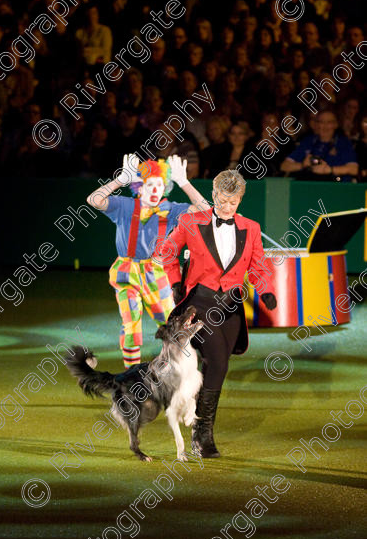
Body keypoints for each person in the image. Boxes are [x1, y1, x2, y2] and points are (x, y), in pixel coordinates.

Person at [159, 170, 277, 458]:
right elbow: (167, 251)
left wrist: (266, 291)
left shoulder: (250, 228)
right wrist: (175, 281)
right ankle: (203, 435)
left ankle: (196, 416)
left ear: (240, 200)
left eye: (233, 202)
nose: (227, 207)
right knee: (219, 363)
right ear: (213, 196)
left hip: (231, 305)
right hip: (200, 303)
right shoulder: (190, 222)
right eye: (222, 201)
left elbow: (259, 267)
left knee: (216, 368)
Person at [87, 154, 209, 368]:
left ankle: (179, 371)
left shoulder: (170, 209)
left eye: (159, 185)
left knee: (171, 324)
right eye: (149, 184)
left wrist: (184, 182)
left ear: (165, 188)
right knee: (131, 325)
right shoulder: (124, 206)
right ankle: (131, 375)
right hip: (126, 271)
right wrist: (119, 180)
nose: (155, 189)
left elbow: (206, 213)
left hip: (157, 271)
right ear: (139, 188)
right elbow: (93, 200)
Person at [281, 109, 359, 182]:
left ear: (336, 124)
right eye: (321, 122)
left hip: (335, 187)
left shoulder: (343, 142)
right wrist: (302, 165)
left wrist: (329, 169)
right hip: (310, 185)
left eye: (329, 122)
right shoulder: (308, 141)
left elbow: (353, 169)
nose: (325, 126)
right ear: (316, 124)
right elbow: (284, 166)